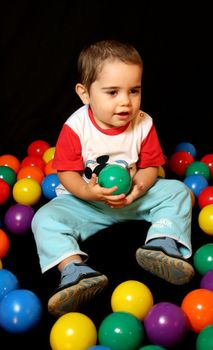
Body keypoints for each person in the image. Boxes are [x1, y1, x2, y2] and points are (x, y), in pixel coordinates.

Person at [31, 39, 194, 317]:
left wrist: (139, 188)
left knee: (178, 191)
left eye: (134, 91)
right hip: (87, 204)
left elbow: (151, 167)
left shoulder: (144, 123)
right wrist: (87, 192)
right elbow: (66, 173)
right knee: (43, 219)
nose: (125, 102)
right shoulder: (75, 127)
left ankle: (161, 243)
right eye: (112, 92)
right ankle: (74, 270)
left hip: (132, 199)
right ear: (85, 94)